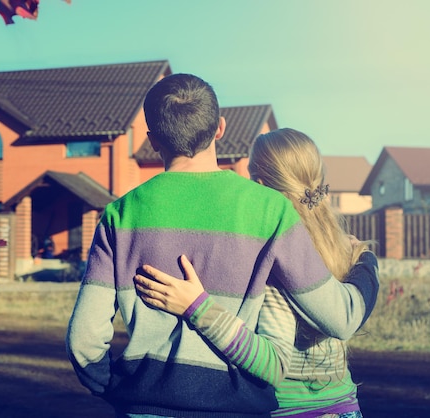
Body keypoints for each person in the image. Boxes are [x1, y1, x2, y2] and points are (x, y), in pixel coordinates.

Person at [66, 74, 379, 418]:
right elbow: (338, 317)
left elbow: (84, 340)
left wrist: (117, 387)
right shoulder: (269, 210)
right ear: (220, 129)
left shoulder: (119, 216)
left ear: (153, 140)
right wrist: (365, 260)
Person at [133, 128, 377, 418]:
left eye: (250, 176)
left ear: (260, 184)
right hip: (345, 408)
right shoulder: (347, 250)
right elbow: (350, 310)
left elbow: (271, 364)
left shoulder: (271, 260)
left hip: (288, 410)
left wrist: (198, 308)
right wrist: (367, 261)